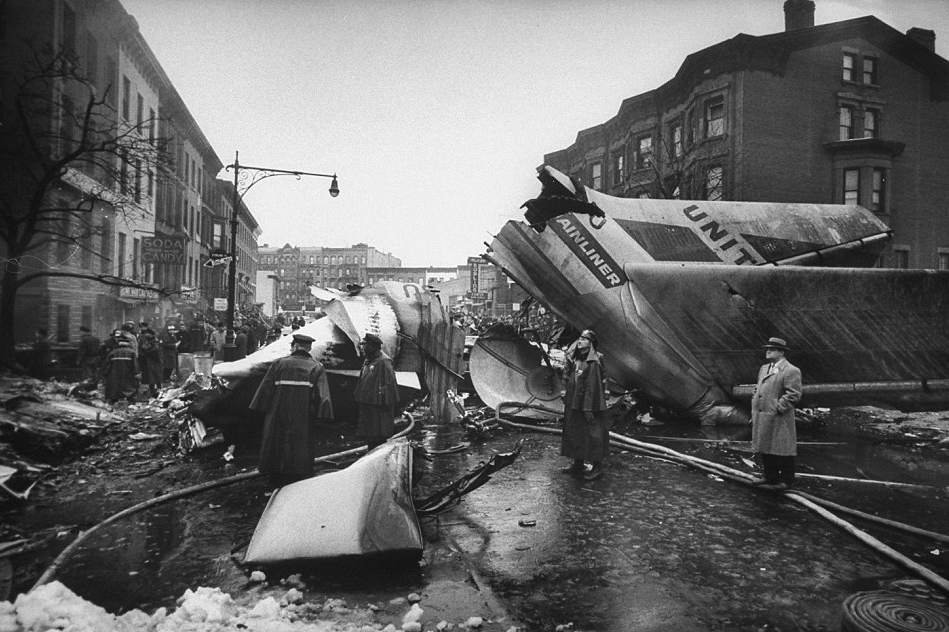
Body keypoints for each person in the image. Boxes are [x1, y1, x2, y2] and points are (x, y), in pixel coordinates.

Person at [250, 332, 334, 487]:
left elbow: (265, 392)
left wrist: (260, 410)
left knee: (276, 444)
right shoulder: (316, 368)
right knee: (300, 445)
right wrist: (322, 417)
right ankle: (297, 482)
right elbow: (323, 398)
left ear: (294, 346)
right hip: (303, 417)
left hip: (277, 415)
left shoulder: (279, 364)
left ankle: (275, 481)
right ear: (309, 348)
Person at [750, 337, 803, 491]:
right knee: (766, 446)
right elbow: (759, 387)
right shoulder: (764, 368)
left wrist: (778, 408)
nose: (768, 351)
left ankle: (787, 480)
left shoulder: (791, 370)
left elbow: (794, 394)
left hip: (779, 417)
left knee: (783, 448)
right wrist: (755, 400)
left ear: (781, 352)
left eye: (771, 349)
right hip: (762, 414)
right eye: (767, 348)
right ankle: (769, 476)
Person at [559, 329, 609, 481]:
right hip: (575, 401)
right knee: (576, 431)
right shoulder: (576, 358)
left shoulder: (595, 361)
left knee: (594, 434)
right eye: (579, 338)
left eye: (584, 339)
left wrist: (589, 407)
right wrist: (565, 392)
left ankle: (597, 467)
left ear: (591, 343)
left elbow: (596, 386)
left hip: (590, 403)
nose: (580, 341)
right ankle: (578, 463)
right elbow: (568, 376)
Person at [353, 333, 399, 449]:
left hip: (378, 407)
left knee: (377, 436)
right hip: (368, 404)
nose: (362, 347)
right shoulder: (369, 360)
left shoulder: (383, 362)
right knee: (370, 436)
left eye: (365, 344)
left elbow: (389, 387)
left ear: (372, 346)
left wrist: (382, 404)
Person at [102, 331, 139, 403]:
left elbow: (107, 365)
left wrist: (104, 374)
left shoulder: (113, 352)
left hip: (114, 375)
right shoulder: (131, 353)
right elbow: (135, 366)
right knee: (127, 389)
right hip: (128, 375)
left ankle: (113, 402)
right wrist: (136, 373)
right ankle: (128, 400)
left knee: (114, 390)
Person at [137, 323, 163, 398]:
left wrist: (146, 349)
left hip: (153, 360)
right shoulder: (148, 339)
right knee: (152, 376)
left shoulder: (154, 341)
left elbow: (154, 350)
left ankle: (157, 390)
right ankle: (154, 390)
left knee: (154, 376)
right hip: (150, 360)